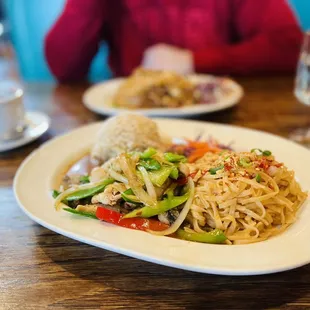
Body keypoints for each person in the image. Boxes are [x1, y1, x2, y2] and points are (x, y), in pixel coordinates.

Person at [45, 0, 302, 83]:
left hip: (222, 118)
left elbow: (291, 46)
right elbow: (63, 68)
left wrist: (193, 61)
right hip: (129, 118)